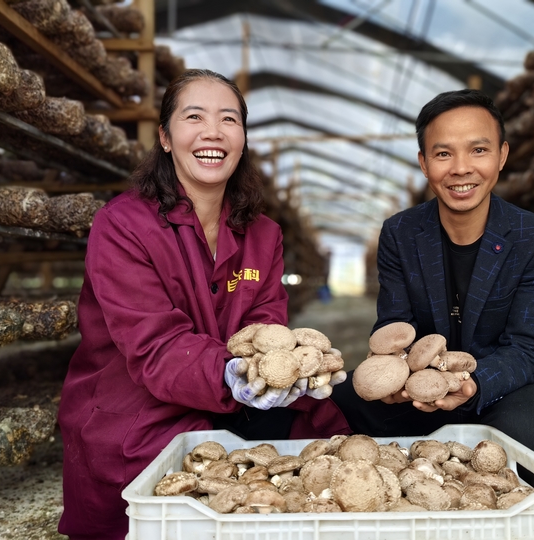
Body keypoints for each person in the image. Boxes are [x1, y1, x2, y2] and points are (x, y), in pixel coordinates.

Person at [57, 69, 350, 540]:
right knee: (188, 481)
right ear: (166, 138)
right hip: (137, 401)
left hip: (230, 397)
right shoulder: (123, 225)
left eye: (229, 119)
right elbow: (154, 344)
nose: (213, 132)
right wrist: (226, 375)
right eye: (194, 116)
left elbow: (265, 323)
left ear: (243, 139)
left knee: (321, 440)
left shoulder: (263, 233)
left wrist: (282, 368)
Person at [331, 89, 534, 474]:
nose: (461, 168)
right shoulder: (400, 233)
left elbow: (530, 348)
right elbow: (393, 323)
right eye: (443, 154)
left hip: (501, 389)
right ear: (424, 163)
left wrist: (471, 384)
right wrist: (395, 373)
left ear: (502, 155)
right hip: (419, 391)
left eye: (478, 150)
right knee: (332, 405)